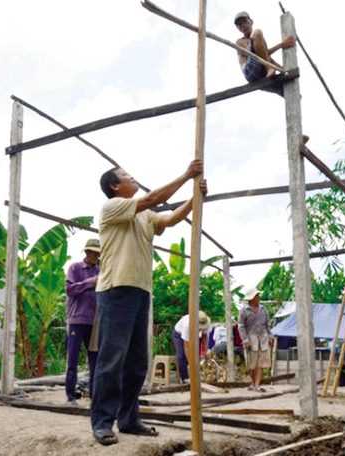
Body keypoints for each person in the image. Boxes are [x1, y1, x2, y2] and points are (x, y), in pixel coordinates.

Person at [91, 159, 207, 446]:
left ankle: (129, 419)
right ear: (115, 186)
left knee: (137, 362)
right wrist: (186, 174)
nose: (133, 177)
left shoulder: (144, 215)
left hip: (141, 291)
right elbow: (154, 198)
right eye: (126, 175)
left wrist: (195, 198)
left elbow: (168, 219)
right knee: (112, 360)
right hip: (116, 290)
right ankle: (103, 422)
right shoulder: (113, 207)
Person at [64, 238, 100, 405]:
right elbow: (70, 290)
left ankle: (95, 396)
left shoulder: (101, 271)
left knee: (95, 360)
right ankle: (70, 397)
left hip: (94, 322)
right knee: (73, 359)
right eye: (92, 252)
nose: (95, 256)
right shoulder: (75, 268)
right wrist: (90, 282)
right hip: (77, 320)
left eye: (98, 253)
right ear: (87, 252)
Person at [234, 11, 295, 97]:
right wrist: (282, 44)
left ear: (251, 21)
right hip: (250, 72)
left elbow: (265, 56)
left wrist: (281, 68)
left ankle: (271, 70)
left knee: (289, 92)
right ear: (238, 29)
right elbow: (256, 55)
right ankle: (269, 68)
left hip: (262, 72)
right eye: (240, 25)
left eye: (245, 21)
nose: (243, 25)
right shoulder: (240, 42)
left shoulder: (258, 40)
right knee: (257, 32)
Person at [237, 287, 273, 392]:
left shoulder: (263, 309)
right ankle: (253, 383)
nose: (258, 297)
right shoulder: (244, 311)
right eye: (256, 296)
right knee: (250, 365)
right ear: (252, 298)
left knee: (261, 364)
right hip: (251, 340)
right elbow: (242, 326)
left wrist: (270, 336)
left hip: (263, 339)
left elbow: (267, 325)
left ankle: (257, 384)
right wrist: (246, 340)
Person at [172, 311, 212, 383]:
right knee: (182, 356)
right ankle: (185, 379)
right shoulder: (187, 325)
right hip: (179, 334)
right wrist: (191, 364)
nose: (201, 328)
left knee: (197, 355)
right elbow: (187, 347)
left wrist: (205, 351)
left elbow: (205, 336)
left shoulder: (206, 322)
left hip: (195, 335)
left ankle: (197, 376)